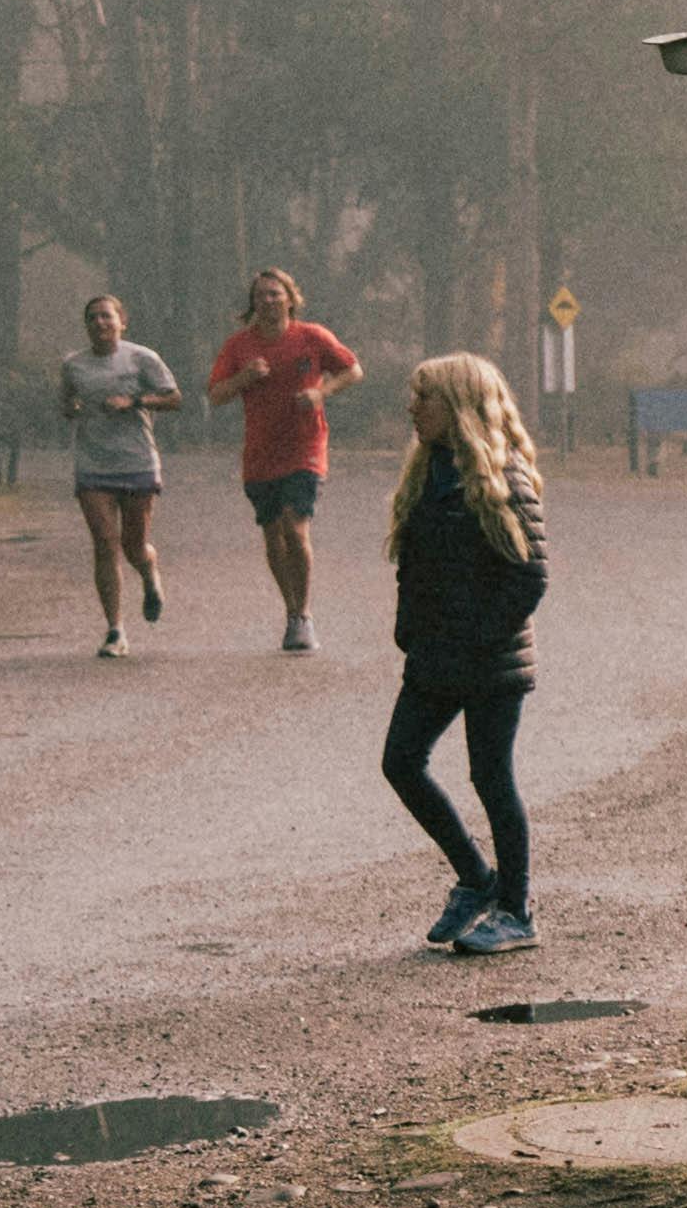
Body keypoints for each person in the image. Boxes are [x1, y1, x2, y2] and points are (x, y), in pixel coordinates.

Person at [379, 351, 551, 956]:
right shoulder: (428, 473)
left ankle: (517, 911)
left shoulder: (503, 477)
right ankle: (477, 878)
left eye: (423, 397)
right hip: (436, 656)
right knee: (401, 761)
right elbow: (413, 567)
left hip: (491, 662)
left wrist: (479, 637)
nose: (412, 407)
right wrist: (410, 630)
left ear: (457, 406)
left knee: (491, 777)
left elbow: (529, 577)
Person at [210, 269, 367, 652]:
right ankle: (291, 609)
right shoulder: (239, 346)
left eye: (275, 293)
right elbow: (215, 394)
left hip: (305, 446)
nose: (268, 301)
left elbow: (352, 370)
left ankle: (303, 614)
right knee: (273, 534)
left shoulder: (311, 336)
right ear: (252, 303)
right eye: (261, 295)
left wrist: (321, 392)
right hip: (261, 452)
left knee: (294, 527)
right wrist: (244, 378)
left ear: (290, 298)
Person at [55, 292, 180, 650]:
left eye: (106, 316)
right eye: (92, 317)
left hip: (137, 460)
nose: (99, 322)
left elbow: (173, 398)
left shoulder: (142, 358)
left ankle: (149, 572)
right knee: (104, 543)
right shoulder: (74, 365)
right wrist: (73, 407)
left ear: (122, 321)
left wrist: (134, 401)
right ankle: (115, 630)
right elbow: (65, 403)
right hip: (93, 464)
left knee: (133, 546)